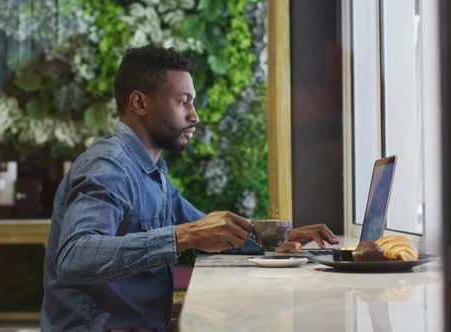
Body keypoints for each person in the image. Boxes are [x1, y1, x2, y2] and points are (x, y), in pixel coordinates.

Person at [41, 44, 338, 331]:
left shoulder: (152, 173)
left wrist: (274, 238)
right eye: (183, 102)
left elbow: (208, 227)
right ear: (140, 103)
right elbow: (74, 256)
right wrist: (185, 236)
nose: (194, 115)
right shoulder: (108, 167)